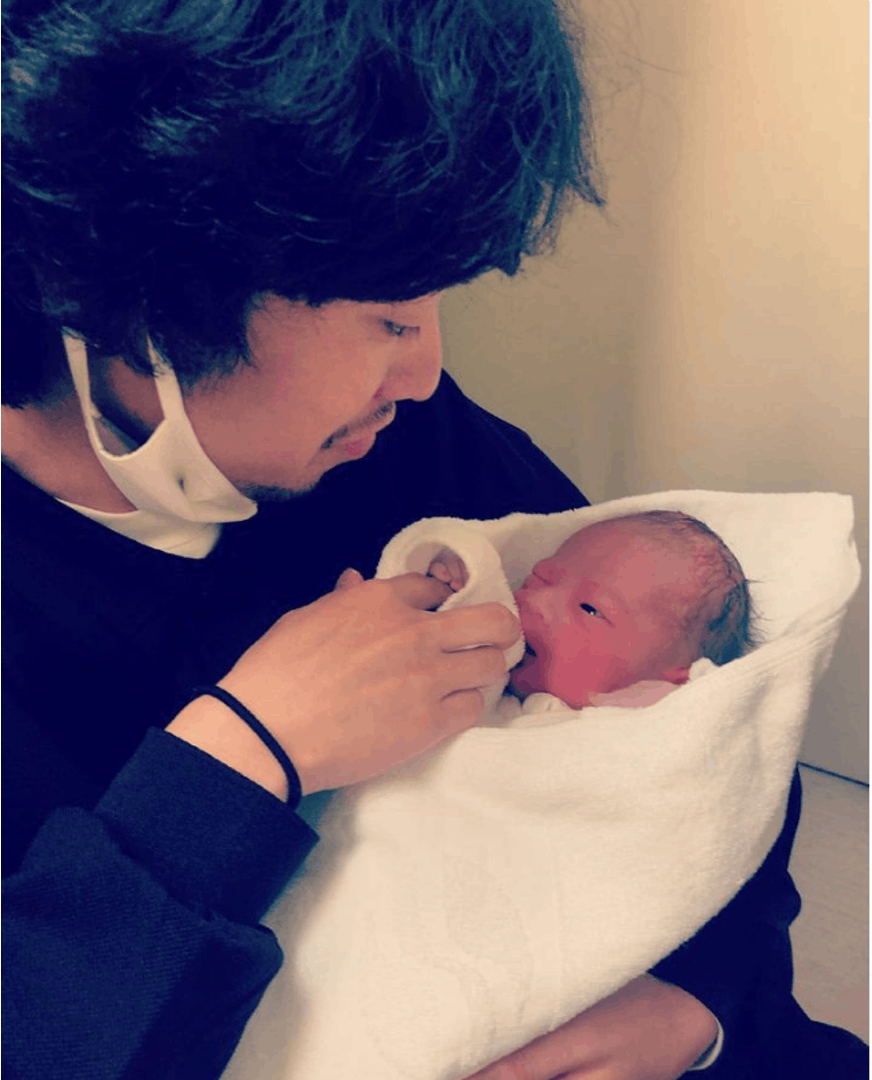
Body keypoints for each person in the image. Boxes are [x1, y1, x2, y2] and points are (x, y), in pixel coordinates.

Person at [1, 2, 864, 1079]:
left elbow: (708, 720)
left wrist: (700, 1004)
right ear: (152, 296)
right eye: (391, 318)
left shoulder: (397, 447)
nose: (422, 373)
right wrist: (244, 754)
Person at [430, 509, 756, 711]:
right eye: (538, 580)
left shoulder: (638, 722)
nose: (538, 601)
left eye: (589, 609)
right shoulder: (487, 686)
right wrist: (461, 590)